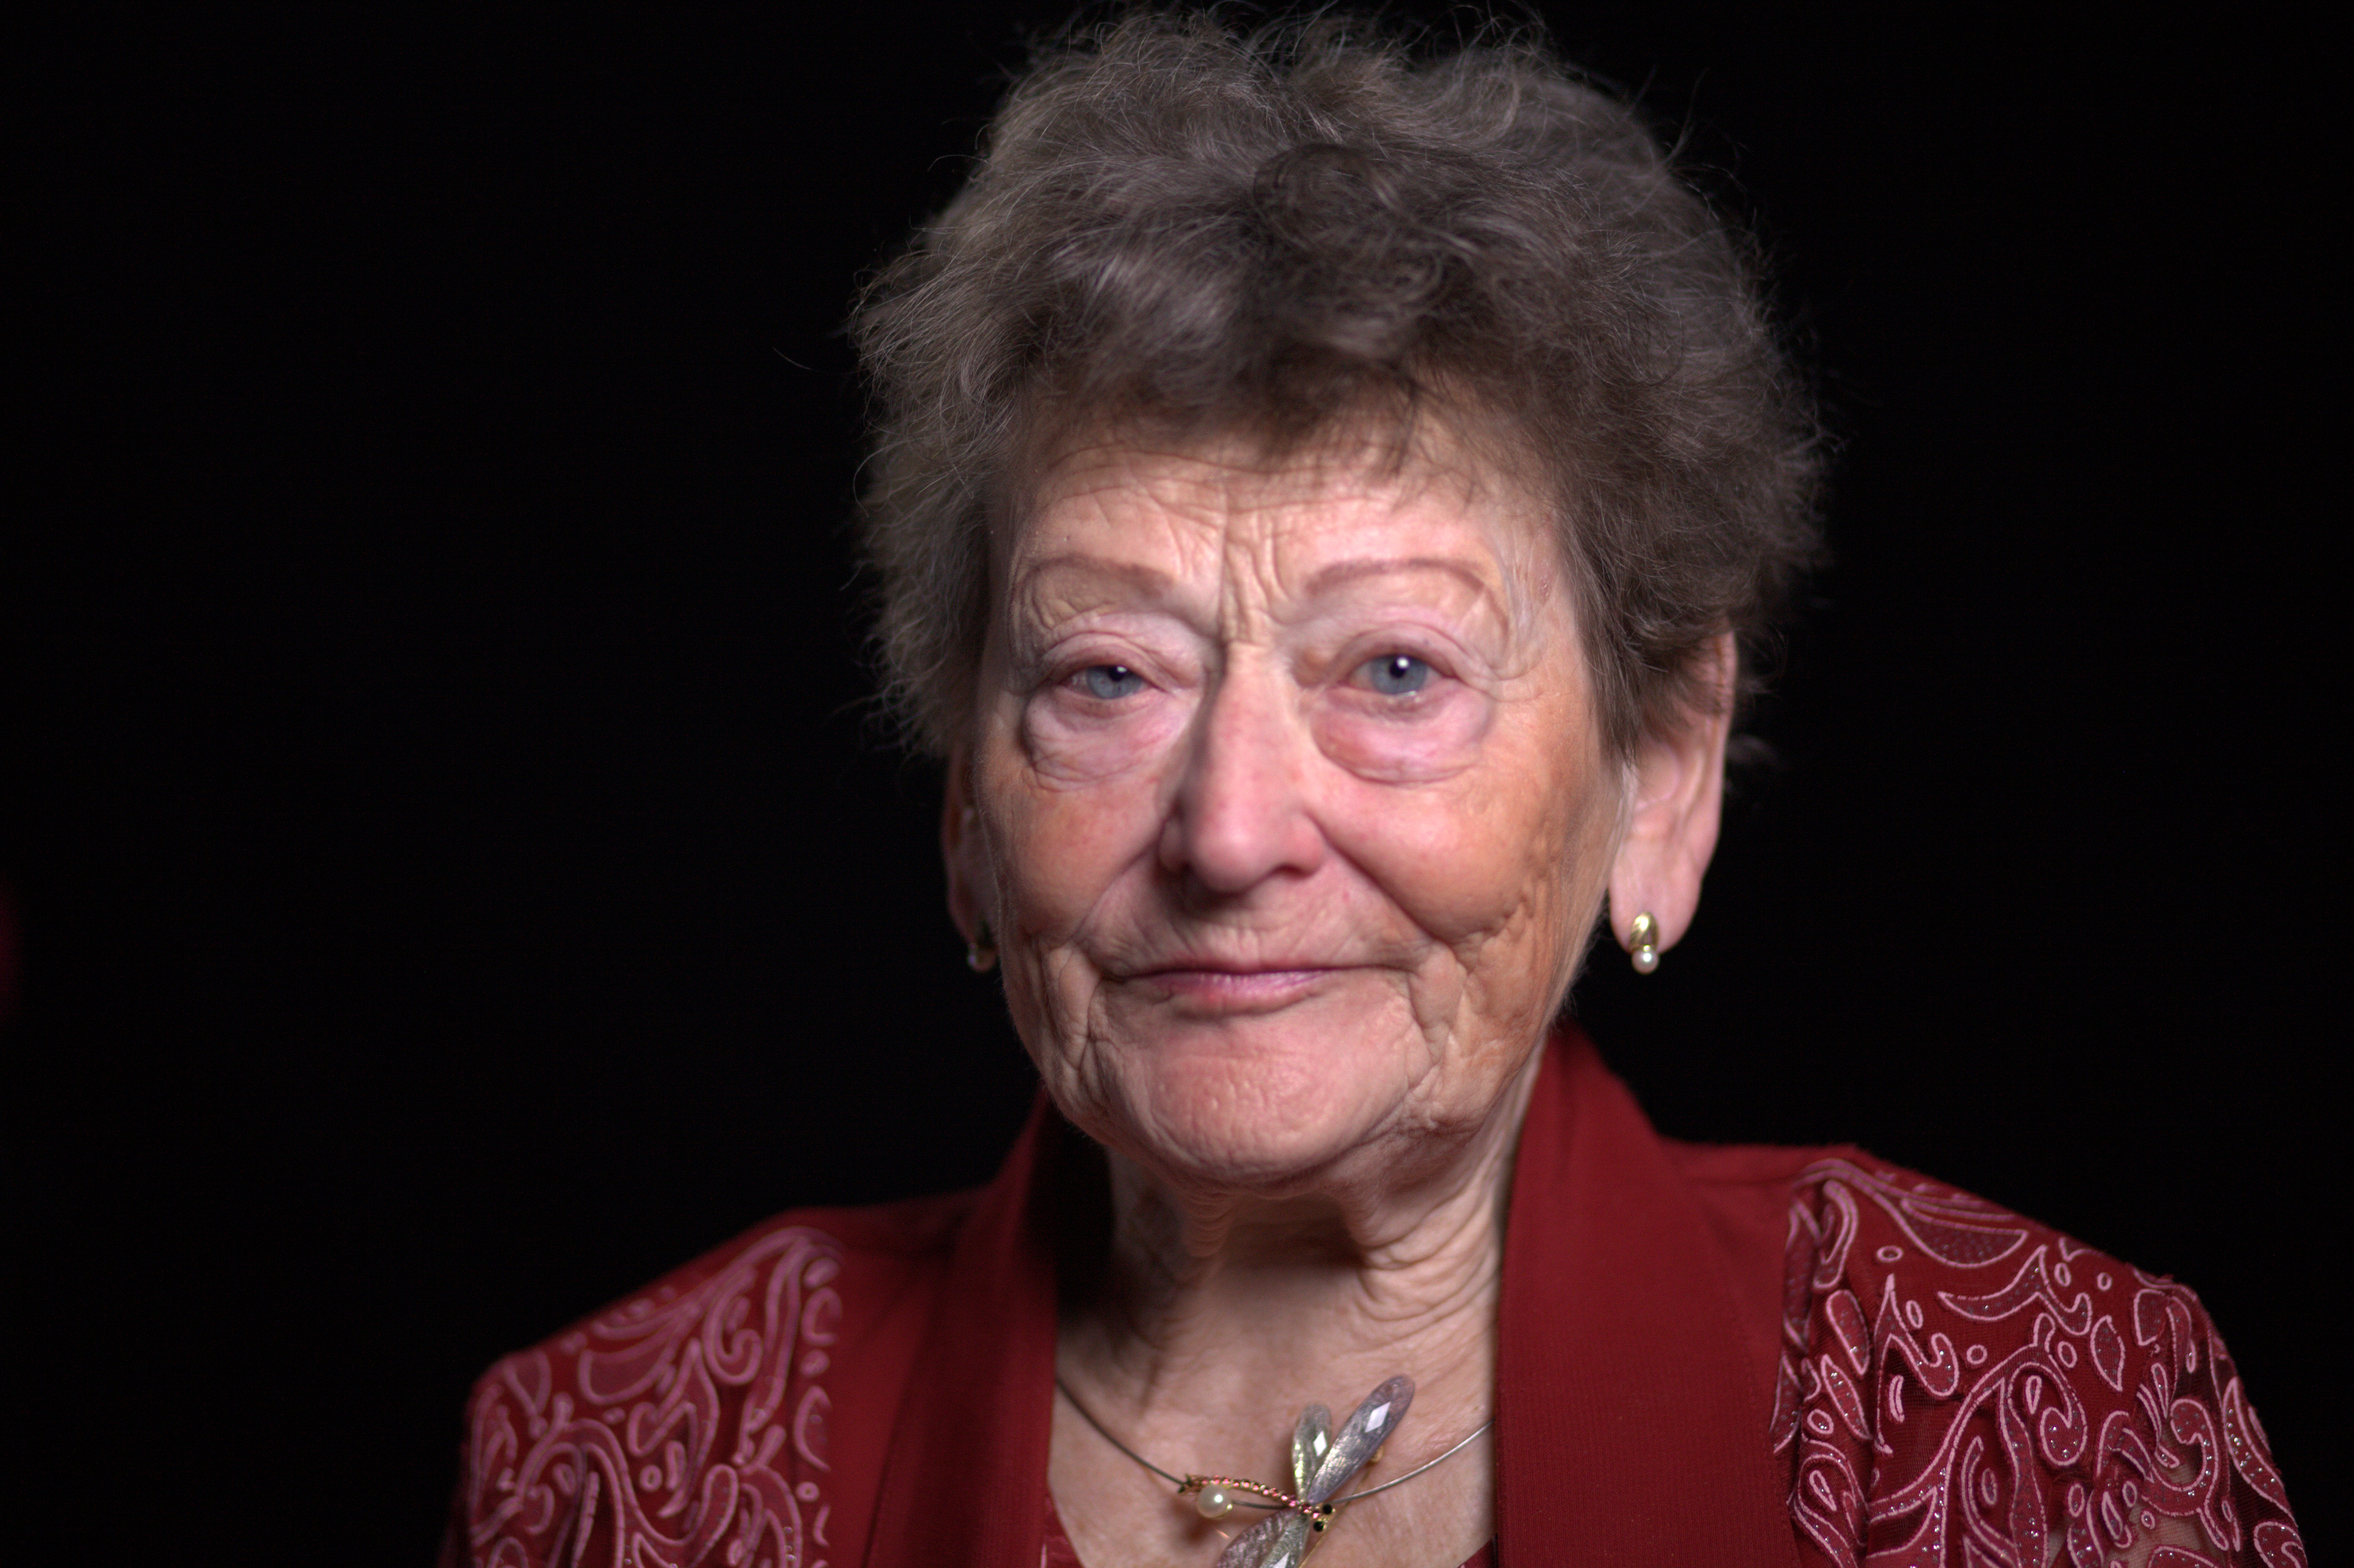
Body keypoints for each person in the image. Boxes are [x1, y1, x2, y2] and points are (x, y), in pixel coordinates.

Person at [437, 14, 2302, 1566]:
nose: (1230, 833)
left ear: (1656, 777)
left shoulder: (2035, 1427)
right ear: (964, 816)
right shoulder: (610, 1471)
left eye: (1395, 672)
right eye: (1107, 677)